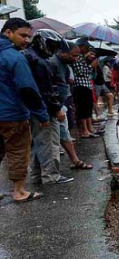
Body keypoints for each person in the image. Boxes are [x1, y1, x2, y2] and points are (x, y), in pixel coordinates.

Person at [0, 18, 47, 202]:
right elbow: (28, 89)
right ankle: (19, 192)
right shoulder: (15, 57)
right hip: (12, 115)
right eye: (23, 35)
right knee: (18, 151)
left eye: (29, 36)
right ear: (8, 32)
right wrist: (42, 114)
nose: (27, 40)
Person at [24, 29, 74, 185]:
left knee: (37, 144)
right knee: (49, 142)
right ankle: (51, 176)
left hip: (33, 110)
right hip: (44, 110)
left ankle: (37, 176)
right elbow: (47, 91)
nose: (53, 50)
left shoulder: (29, 57)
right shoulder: (40, 63)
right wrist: (57, 109)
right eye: (52, 46)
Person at [49, 43, 92, 170]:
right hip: (54, 106)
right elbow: (49, 89)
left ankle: (75, 160)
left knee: (64, 133)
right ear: (63, 52)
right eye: (74, 55)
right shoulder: (53, 64)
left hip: (60, 104)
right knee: (52, 140)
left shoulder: (64, 65)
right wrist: (56, 108)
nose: (76, 58)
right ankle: (51, 174)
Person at [71, 38, 99, 138]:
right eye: (86, 47)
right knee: (82, 109)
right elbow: (81, 73)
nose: (87, 49)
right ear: (81, 46)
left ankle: (89, 128)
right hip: (80, 86)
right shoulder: (77, 58)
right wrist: (91, 66)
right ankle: (84, 131)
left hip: (86, 85)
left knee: (88, 108)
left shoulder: (82, 58)